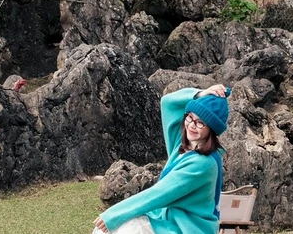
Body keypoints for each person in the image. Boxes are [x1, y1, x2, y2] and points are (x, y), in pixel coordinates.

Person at [92, 84, 230, 234]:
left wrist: (113, 215)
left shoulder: (203, 163)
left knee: (123, 228)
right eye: (190, 117)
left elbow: (159, 193)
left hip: (187, 228)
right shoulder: (182, 145)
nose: (192, 125)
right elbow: (167, 102)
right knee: (107, 230)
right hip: (168, 222)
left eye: (200, 123)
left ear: (211, 129)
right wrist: (199, 94)